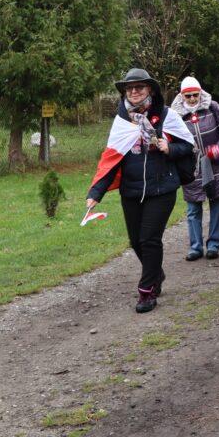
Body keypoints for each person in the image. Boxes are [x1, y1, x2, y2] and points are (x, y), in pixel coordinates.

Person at [87, 68, 195, 313]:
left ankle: (147, 292)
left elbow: (188, 145)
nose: (134, 92)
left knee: (149, 239)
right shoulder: (122, 121)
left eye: (140, 87)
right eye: (130, 88)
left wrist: (169, 148)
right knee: (135, 241)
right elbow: (111, 159)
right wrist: (96, 193)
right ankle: (156, 272)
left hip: (162, 187)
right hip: (132, 190)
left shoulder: (167, 116)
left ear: (150, 90)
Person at [171, 76, 219, 261]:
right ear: (182, 96)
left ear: (200, 93)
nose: (192, 99)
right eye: (188, 96)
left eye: (195, 95)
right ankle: (195, 247)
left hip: (216, 163)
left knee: (217, 203)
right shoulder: (174, 114)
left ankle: (214, 244)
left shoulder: (212, 106)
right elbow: (171, 138)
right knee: (193, 208)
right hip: (192, 167)